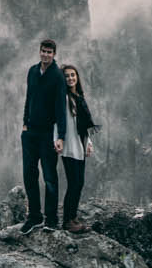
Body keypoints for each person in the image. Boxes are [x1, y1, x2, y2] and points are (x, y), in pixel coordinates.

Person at [20, 37, 68, 229]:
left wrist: (61, 136)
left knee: (49, 176)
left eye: (49, 52)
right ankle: (34, 216)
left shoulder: (57, 76)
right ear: (39, 51)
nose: (46, 55)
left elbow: (60, 108)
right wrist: (25, 123)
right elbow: (28, 97)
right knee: (29, 174)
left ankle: (51, 218)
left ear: (54, 54)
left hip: (48, 133)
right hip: (30, 132)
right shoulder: (32, 71)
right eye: (43, 51)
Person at [59, 63, 98, 232]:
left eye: (73, 75)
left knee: (79, 183)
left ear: (77, 77)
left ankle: (72, 217)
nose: (70, 78)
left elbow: (83, 125)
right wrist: (58, 139)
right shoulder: (64, 98)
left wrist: (89, 142)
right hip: (69, 145)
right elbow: (58, 121)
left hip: (80, 144)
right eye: (67, 76)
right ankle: (68, 221)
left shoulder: (79, 97)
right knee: (74, 183)